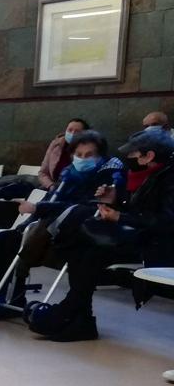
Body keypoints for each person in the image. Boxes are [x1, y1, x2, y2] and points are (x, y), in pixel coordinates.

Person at [30, 128, 174, 341]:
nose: (128, 158)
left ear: (148, 156)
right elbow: (135, 210)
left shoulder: (168, 180)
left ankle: (71, 313)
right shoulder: (143, 176)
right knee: (81, 247)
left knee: (90, 253)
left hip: (156, 246)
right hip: (136, 236)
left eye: (133, 154)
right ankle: (81, 320)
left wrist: (119, 217)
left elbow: (166, 222)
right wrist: (114, 199)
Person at [0, 131, 125, 304]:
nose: (83, 159)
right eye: (79, 154)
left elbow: (81, 208)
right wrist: (32, 216)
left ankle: (14, 294)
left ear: (100, 156)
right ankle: (2, 294)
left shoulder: (107, 179)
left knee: (25, 240)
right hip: (51, 227)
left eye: (89, 155)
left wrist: (38, 207)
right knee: (6, 239)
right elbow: (53, 198)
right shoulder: (68, 174)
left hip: (74, 233)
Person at [39, 118, 89, 190]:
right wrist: (51, 186)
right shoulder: (56, 145)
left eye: (77, 131)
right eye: (70, 130)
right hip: (52, 188)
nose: (72, 133)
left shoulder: (88, 150)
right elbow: (43, 173)